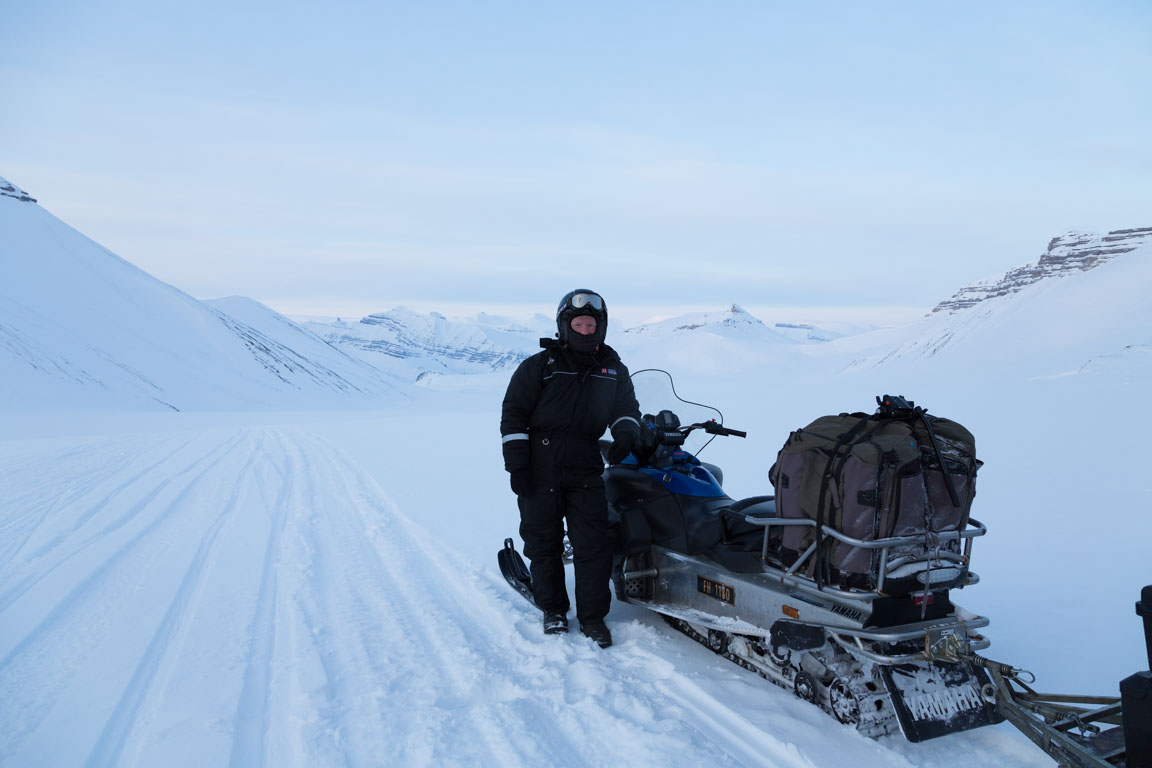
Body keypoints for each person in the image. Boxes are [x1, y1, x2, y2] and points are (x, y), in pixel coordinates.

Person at [500, 289, 641, 648]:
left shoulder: (612, 369)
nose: (584, 330)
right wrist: (517, 464)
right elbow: (514, 413)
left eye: (590, 324)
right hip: (538, 464)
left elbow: (627, 407)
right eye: (577, 324)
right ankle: (554, 610)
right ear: (565, 326)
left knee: (592, 544)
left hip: (585, 464)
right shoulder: (539, 366)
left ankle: (593, 617)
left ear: (601, 327)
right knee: (543, 542)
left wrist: (626, 430)